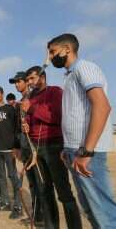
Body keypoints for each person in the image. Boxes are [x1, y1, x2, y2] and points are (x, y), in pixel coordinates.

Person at [47, 33, 116, 228]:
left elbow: (102, 106)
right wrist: (67, 148)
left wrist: (87, 151)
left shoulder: (84, 68)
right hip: (74, 151)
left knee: (104, 213)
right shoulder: (69, 75)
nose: (50, 57)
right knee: (90, 209)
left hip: (87, 153)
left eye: (53, 52)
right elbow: (75, 114)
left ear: (67, 49)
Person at [22, 66, 82, 229]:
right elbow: (30, 119)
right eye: (27, 80)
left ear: (42, 77)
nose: (30, 82)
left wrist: (32, 108)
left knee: (63, 192)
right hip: (36, 148)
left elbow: (57, 117)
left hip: (53, 145)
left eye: (32, 78)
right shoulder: (30, 97)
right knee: (44, 191)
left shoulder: (55, 92)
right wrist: (26, 124)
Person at [9, 71, 43, 226]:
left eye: (19, 81)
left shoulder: (33, 97)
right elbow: (17, 127)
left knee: (39, 182)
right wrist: (16, 146)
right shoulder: (20, 101)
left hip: (34, 146)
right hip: (24, 147)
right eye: (15, 82)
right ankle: (37, 215)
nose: (17, 84)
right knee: (32, 183)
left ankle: (41, 216)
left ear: (26, 82)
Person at [0, 86, 23, 219]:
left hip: (9, 149)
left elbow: (17, 127)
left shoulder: (10, 109)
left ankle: (18, 205)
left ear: (2, 94)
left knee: (13, 176)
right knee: (1, 177)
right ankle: (5, 202)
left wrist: (17, 146)